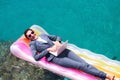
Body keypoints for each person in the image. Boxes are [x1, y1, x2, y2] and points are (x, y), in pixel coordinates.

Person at [24, 28, 115, 80]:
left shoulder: (43, 35)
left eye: (32, 32)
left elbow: (57, 37)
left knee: (85, 63)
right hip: (56, 58)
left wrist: (58, 42)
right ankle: (106, 76)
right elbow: (36, 57)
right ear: (28, 38)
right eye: (29, 35)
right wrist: (48, 49)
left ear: (34, 31)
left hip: (63, 50)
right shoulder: (33, 44)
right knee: (80, 66)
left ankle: (100, 76)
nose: (32, 35)